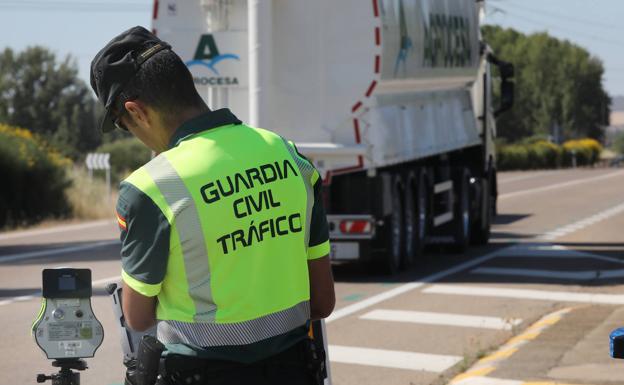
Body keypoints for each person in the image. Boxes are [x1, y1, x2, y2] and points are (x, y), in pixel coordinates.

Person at [90, 26, 335, 385]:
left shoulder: (150, 188)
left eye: (125, 126)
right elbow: (322, 302)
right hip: (295, 370)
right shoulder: (288, 155)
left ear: (136, 111)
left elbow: (138, 317)